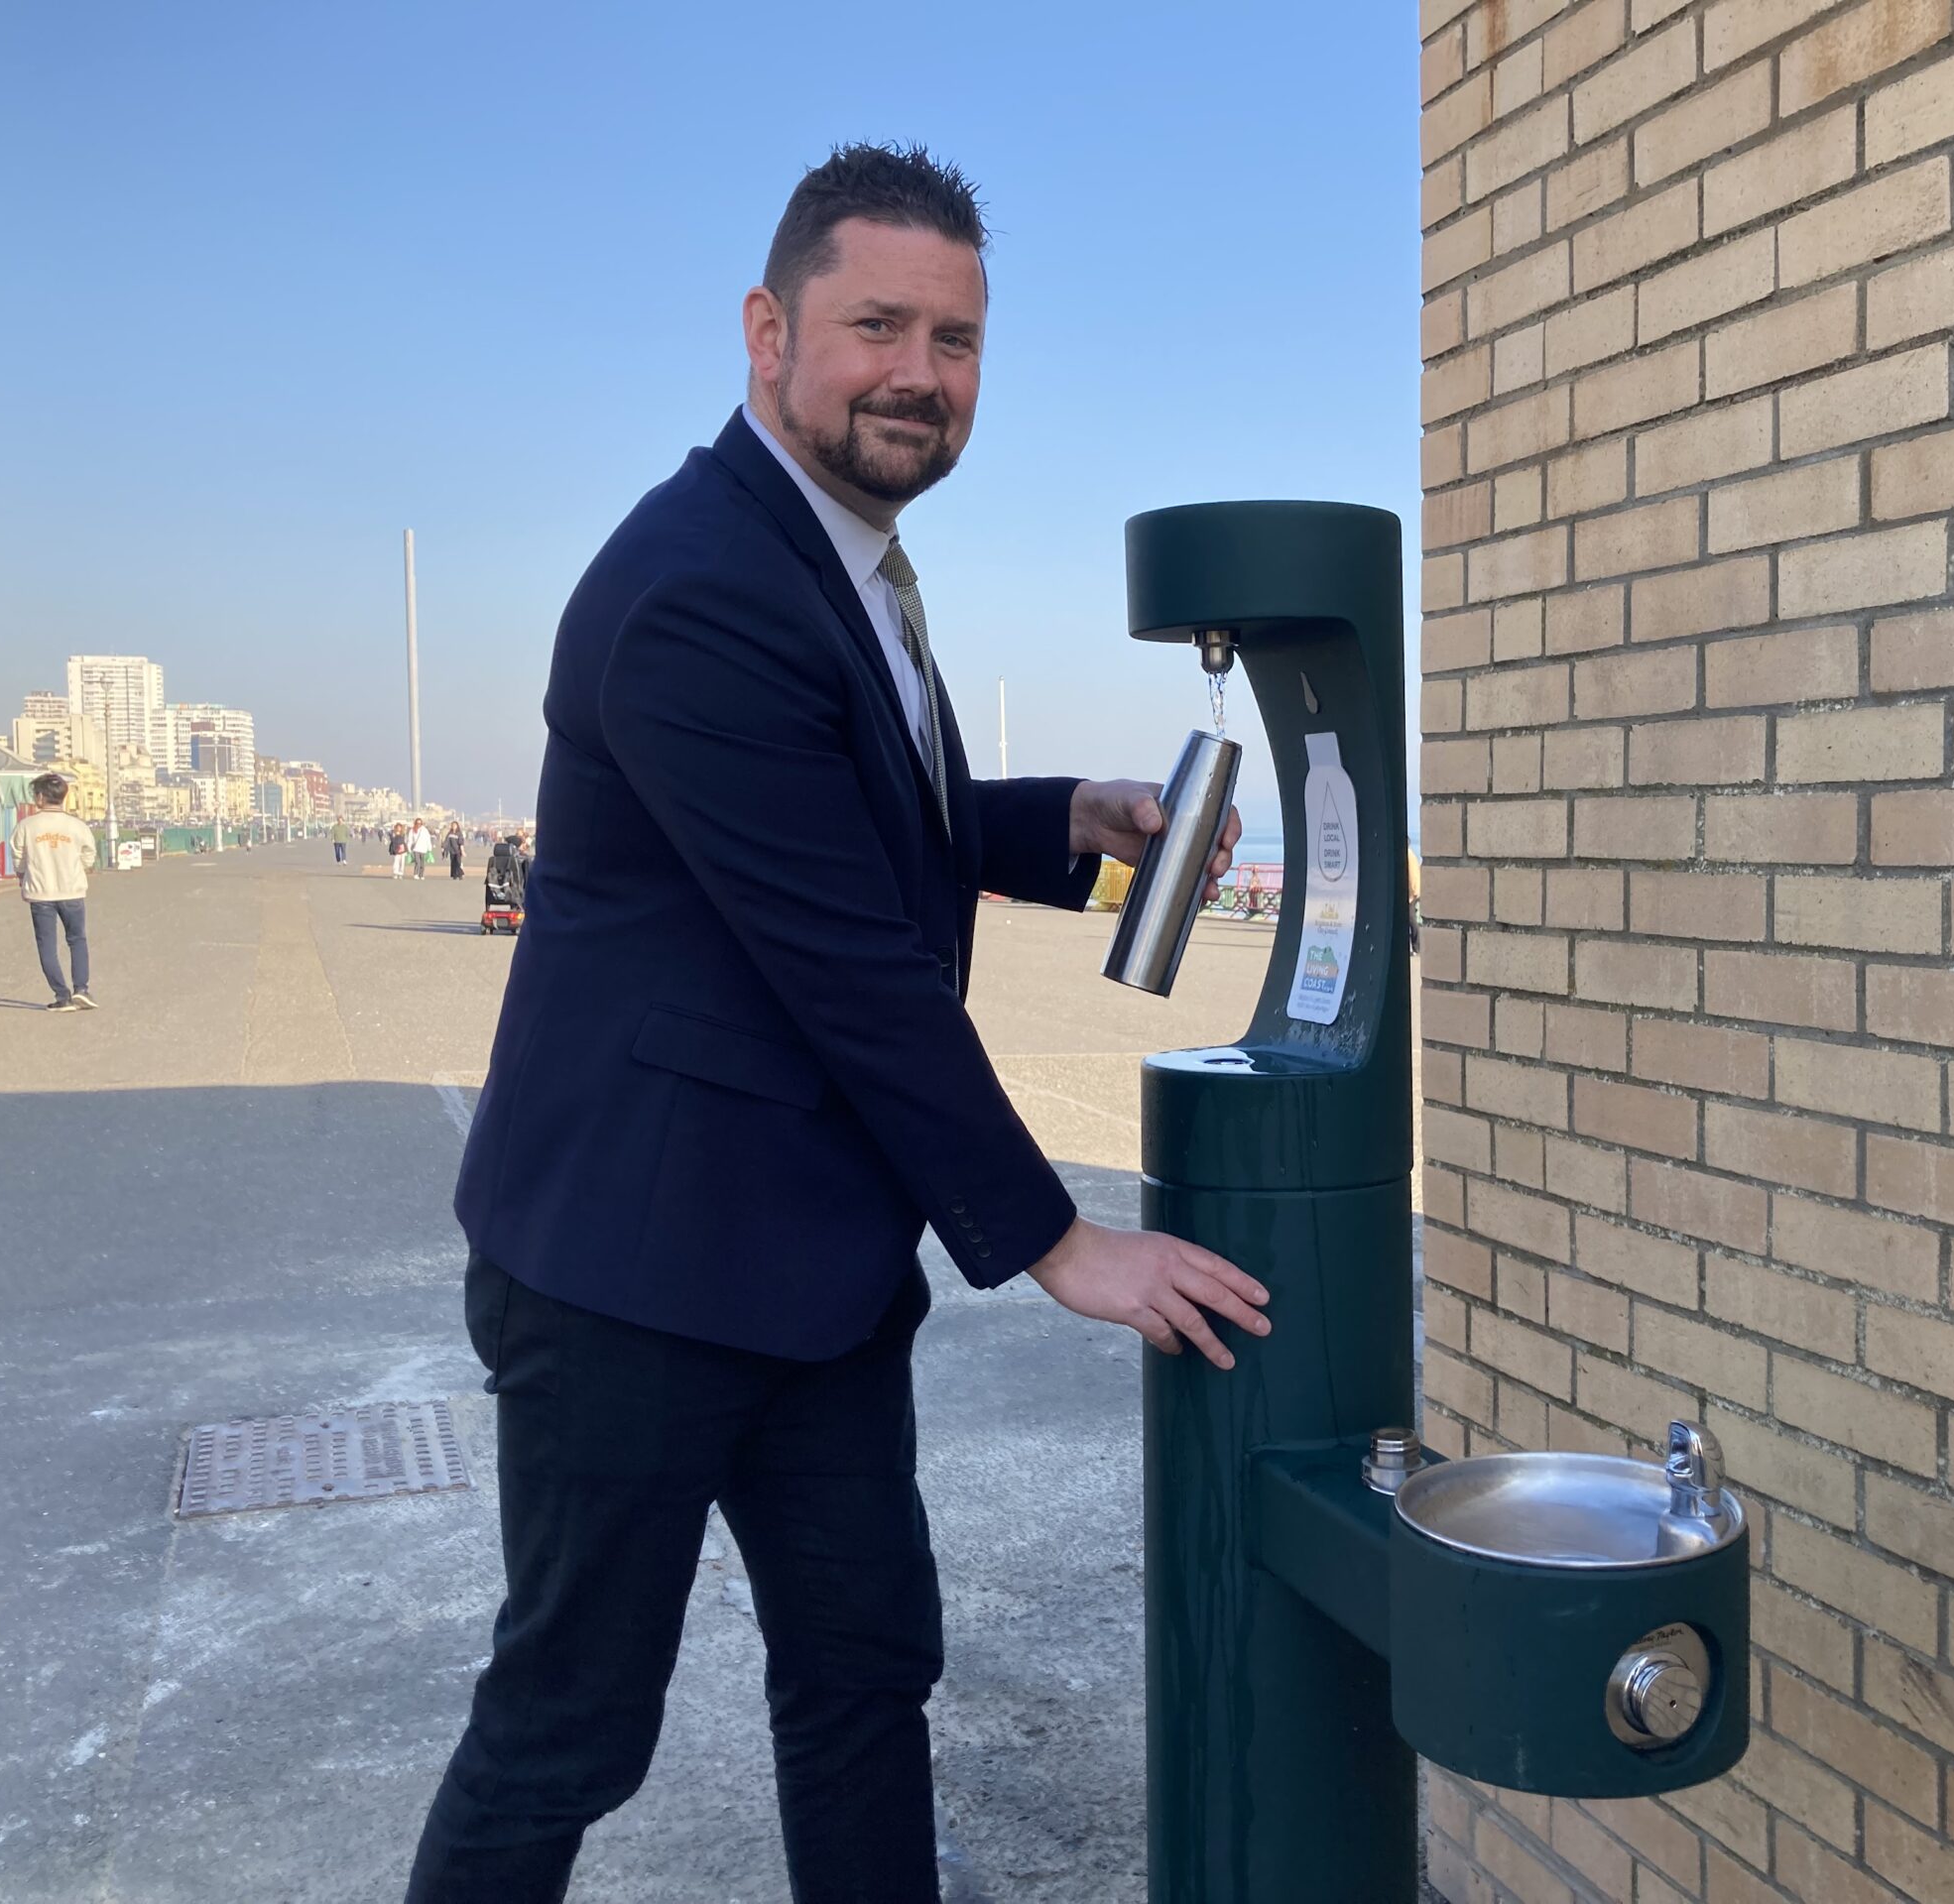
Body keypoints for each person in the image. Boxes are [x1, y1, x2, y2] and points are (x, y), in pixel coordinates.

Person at [406, 146, 1260, 1904]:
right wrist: (1052, 1242)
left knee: (868, 1676)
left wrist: (1057, 818)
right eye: (876, 323)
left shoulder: (842, 556)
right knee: (570, 1726)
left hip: (810, 1270)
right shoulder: (701, 583)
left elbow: (870, 808)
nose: (918, 374)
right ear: (767, 328)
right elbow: (846, 964)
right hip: (632, 1272)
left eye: (954, 339)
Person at [10, 773, 97, 1011]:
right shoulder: (77, 826)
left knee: (47, 945)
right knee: (77, 939)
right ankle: (82, 989)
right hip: (72, 891)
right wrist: (79, 867)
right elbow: (90, 854)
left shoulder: (26, 826)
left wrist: (22, 877)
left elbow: (17, 856)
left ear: (39, 797)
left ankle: (62, 995)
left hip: (40, 893)